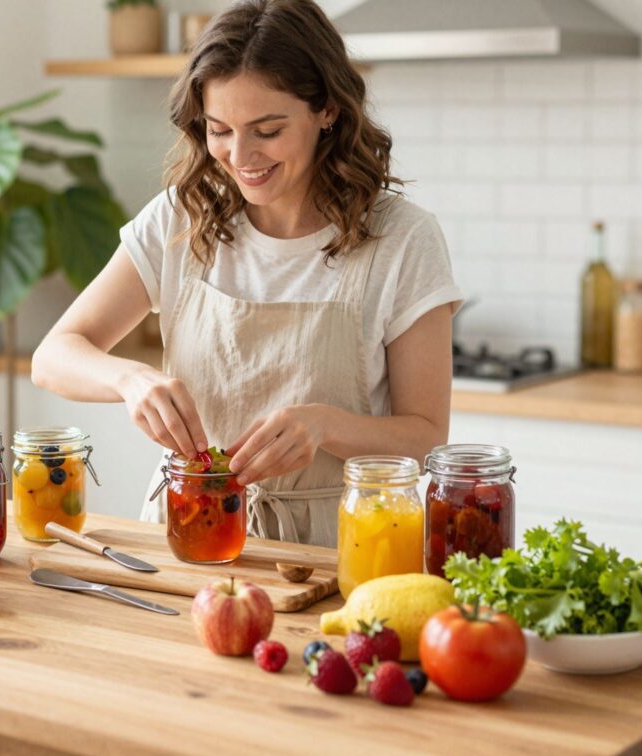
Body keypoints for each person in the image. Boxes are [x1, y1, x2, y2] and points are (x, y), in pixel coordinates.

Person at [32, 0, 462, 547]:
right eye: (220, 130)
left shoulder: (401, 239)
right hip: (188, 535)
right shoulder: (180, 219)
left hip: (339, 550)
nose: (240, 156)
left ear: (326, 109)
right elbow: (53, 356)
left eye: (267, 129)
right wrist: (129, 379)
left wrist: (324, 425)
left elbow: (426, 438)